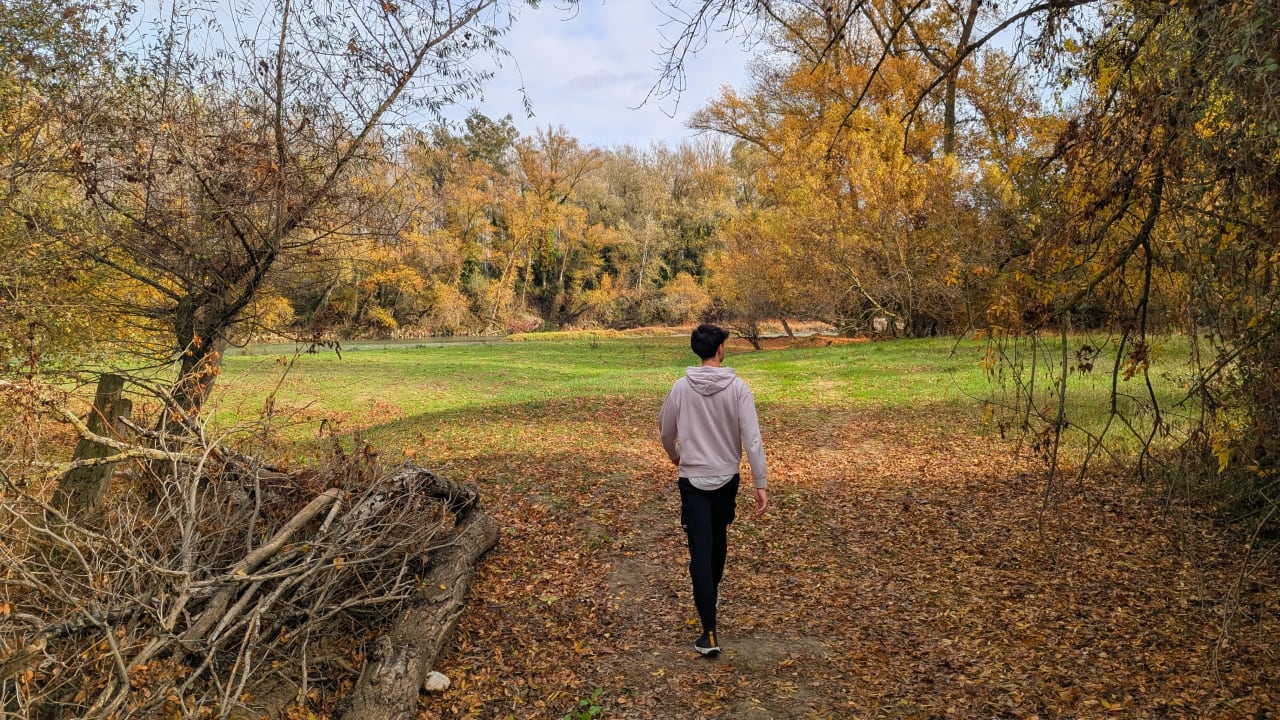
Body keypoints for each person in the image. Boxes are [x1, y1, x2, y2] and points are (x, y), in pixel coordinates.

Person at [658, 323, 770, 657]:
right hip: (726, 477)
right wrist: (760, 483)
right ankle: (710, 611)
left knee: (701, 550)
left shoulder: (681, 388)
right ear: (720, 349)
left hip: (692, 479)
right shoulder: (738, 388)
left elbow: (665, 429)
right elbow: (752, 439)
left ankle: (708, 628)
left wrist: (674, 455)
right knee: (717, 538)